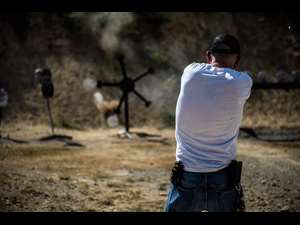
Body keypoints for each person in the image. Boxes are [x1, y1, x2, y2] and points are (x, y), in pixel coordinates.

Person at [165, 34, 253, 212]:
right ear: (237, 60)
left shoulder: (191, 72)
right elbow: (233, 75)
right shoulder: (243, 82)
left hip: (187, 175)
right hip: (222, 177)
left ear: (208, 55)